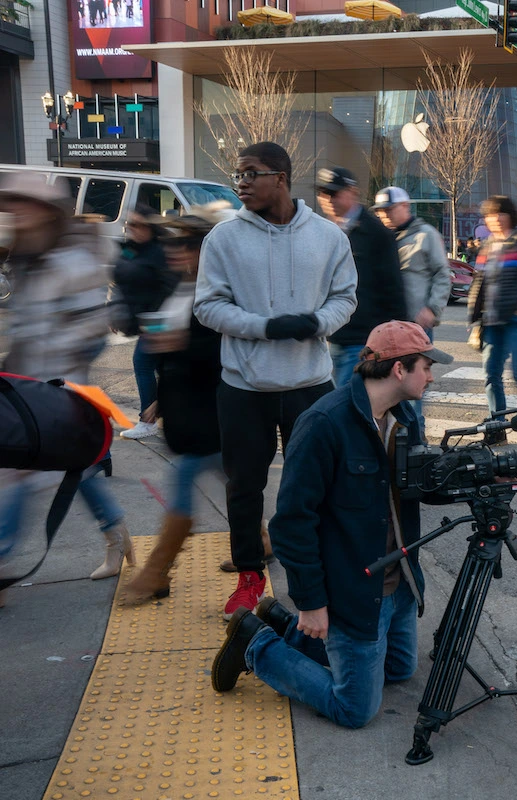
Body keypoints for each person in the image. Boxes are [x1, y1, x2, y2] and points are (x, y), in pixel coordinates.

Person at [210, 320, 454, 729]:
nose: (430, 376)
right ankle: (257, 643)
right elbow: (291, 524)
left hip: (398, 584)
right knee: (355, 709)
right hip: (353, 591)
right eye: (425, 367)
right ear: (399, 370)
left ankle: (283, 624)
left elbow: (412, 489)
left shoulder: (404, 418)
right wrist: (310, 602)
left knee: (398, 671)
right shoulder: (324, 423)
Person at [194, 141, 357, 619]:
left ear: (280, 178)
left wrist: (318, 322)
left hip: (310, 383)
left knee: (316, 487)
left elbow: (345, 297)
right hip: (244, 387)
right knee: (244, 487)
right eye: (237, 174)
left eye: (250, 173)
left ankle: (322, 574)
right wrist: (264, 327)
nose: (240, 182)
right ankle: (250, 578)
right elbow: (207, 306)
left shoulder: (328, 237)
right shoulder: (222, 239)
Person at [0, 171, 134, 585]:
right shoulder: (23, 259)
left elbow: (95, 325)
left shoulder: (73, 262)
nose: (15, 212)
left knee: (20, 470)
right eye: (12, 205)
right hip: (28, 386)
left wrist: (53, 348)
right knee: (72, 469)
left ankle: (2, 559)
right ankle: (117, 533)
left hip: (59, 389)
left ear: (45, 212)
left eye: (24, 205)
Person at [123, 207, 230, 603]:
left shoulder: (218, 288)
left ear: (205, 250)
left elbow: (224, 347)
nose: (175, 251)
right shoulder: (180, 284)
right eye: (173, 243)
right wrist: (159, 402)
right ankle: (260, 538)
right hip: (186, 410)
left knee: (186, 481)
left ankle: (156, 573)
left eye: (186, 245)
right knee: (230, 479)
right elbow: (168, 351)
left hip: (210, 410)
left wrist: (179, 344)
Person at [315, 166, 406, 387]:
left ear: (352, 192)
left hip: (362, 339)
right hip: (328, 336)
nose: (327, 199)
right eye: (322, 193)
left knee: (349, 407)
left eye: (334, 193)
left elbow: (393, 288)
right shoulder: (321, 230)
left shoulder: (376, 234)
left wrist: (397, 340)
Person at [372, 186, 451, 431]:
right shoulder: (381, 237)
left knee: (414, 388)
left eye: (389, 210)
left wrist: (432, 309)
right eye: (381, 211)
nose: (384, 215)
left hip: (416, 327)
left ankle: (416, 438)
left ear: (405, 207)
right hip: (386, 329)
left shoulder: (425, 235)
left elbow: (442, 274)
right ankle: (394, 439)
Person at [466, 196, 517, 428]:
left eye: (500, 213)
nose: (496, 219)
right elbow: (479, 284)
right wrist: (475, 318)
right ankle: (497, 423)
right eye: (490, 215)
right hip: (492, 321)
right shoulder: (487, 246)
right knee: (491, 374)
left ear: (511, 216)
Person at [113, 205, 179, 440]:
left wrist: (160, 318)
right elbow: (121, 279)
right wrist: (116, 309)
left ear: (151, 227)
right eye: (130, 224)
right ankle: (166, 414)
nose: (133, 229)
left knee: (142, 363)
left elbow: (170, 287)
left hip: (158, 319)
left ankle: (147, 420)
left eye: (139, 225)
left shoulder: (159, 252)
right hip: (143, 319)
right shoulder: (132, 249)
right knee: (162, 367)